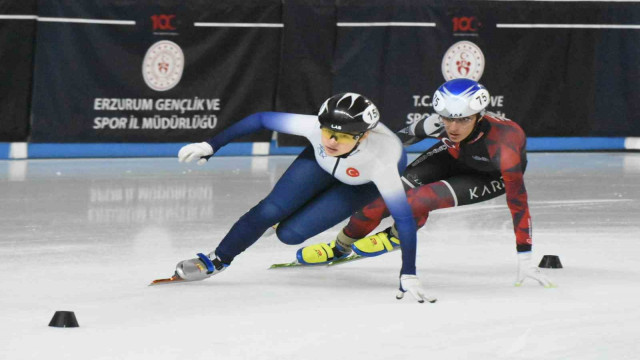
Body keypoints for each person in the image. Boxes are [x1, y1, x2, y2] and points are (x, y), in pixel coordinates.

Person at [171, 92, 436, 303]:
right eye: (327, 132)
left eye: (342, 136)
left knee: (290, 235)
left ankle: (282, 221)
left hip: (360, 183)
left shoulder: (382, 162)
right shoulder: (315, 129)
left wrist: (409, 272)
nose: (332, 141)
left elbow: (403, 218)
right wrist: (210, 145)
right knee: (268, 210)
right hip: (320, 164)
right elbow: (260, 118)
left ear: (364, 135)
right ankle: (218, 259)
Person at [297, 79, 554, 289]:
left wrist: (525, 255)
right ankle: (340, 247)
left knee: (417, 200)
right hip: (451, 156)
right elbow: (394, 143)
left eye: (463, 119)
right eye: (447, 118)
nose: (453, 126)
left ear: (479, 115)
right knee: (378, 199)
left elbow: (518, 202)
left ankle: (396, 236)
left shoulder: (504, 144)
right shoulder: (437, 123)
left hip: (487, 175)